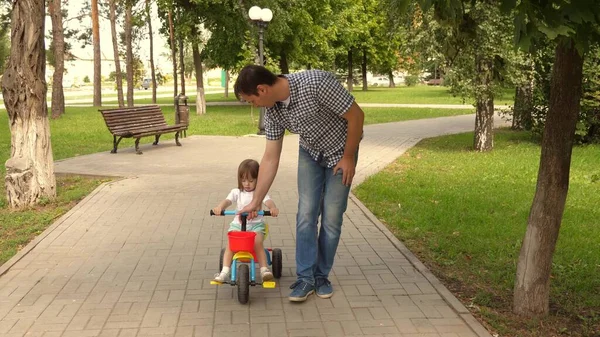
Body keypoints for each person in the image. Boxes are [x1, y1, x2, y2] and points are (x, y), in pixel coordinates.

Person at [234, 65, 364, 302]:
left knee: (332, 218)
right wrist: (256, 200)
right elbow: (270, 158)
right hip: (311, 154)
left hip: (342, 151)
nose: (254, 106)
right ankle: (306, 279)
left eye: (251, 100)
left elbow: (356, 116)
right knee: (306, 214)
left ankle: (321, 276)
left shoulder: (316, 84)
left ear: (262, 90)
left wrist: (348, 157)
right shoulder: (273, 112)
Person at [212, 158, 279, 283]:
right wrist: (220, 207)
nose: (247, 184)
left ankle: (264, 269)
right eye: (243, 180)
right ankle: (224, 271)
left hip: (256, 226)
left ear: (258, 180)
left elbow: (268, 201)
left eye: (251, 180)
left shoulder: (260, 193)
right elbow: (227, 201)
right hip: (238, 225)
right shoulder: (237, 192)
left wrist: (272, 208)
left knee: (257, 242)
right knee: (230, 246)